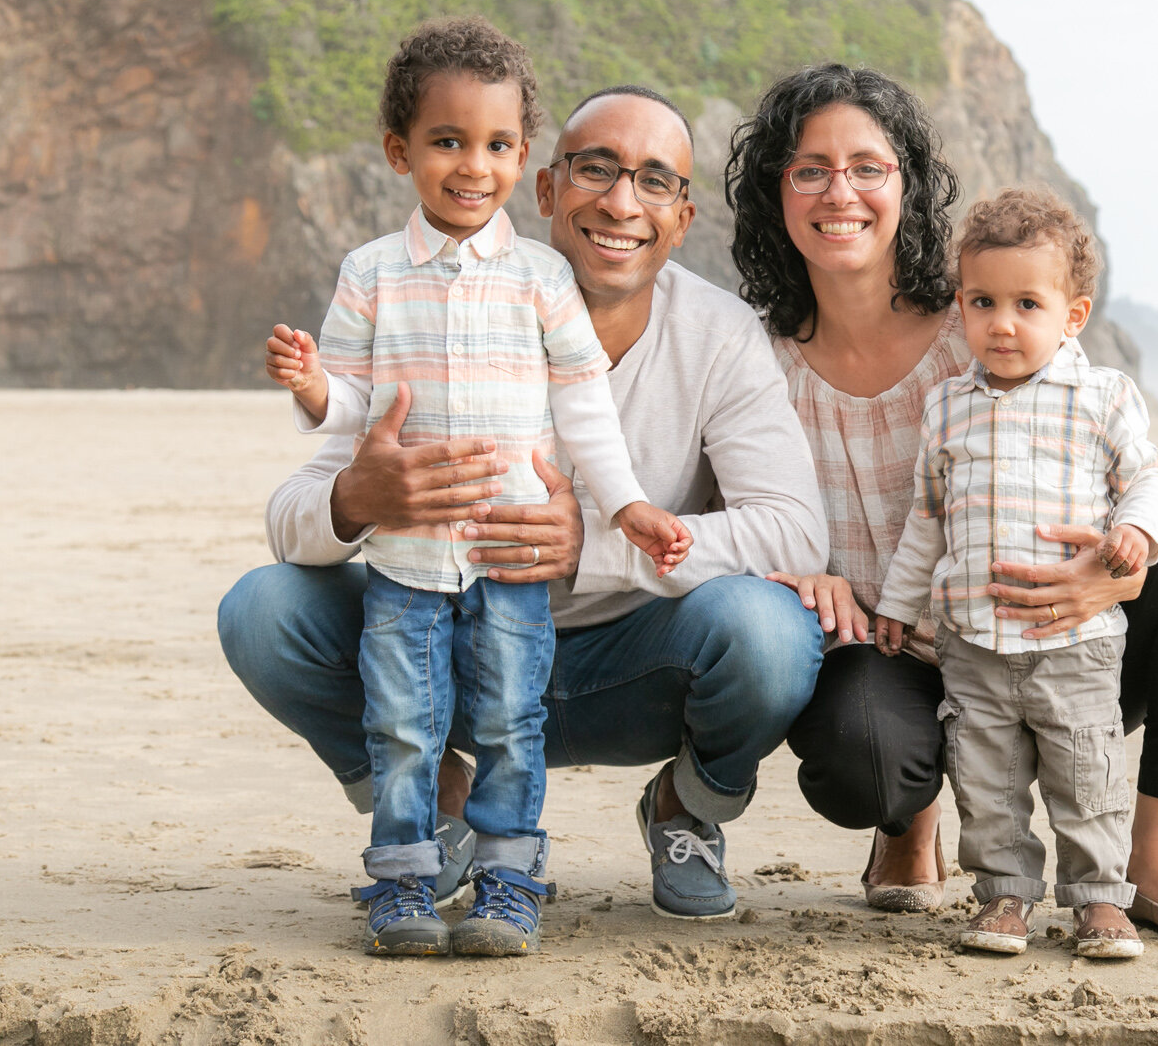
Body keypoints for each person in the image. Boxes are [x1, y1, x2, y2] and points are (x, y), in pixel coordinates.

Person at [218, 79, 828, 941]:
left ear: (683, 218)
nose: (623, 201)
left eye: (655, 181)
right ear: (545, 187)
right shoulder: (426, 305)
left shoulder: (719, 335)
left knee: (770, 632)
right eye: (596, 169)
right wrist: (358, 497)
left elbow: (795, 528)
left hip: (633, 663)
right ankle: (442, 804)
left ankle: (685, 808)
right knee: (261, 609)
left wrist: (596, 545)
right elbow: (289, 518)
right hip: (451, 648)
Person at [726, 63, 1158, 952]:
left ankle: (1151, 862)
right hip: (893, 645)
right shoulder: (754, 361)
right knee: (862, 757)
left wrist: (1113, 577)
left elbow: (1113, 459)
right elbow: (725, 511)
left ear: (906, 182)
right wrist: (791, 570)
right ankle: (909, 823)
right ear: (774, 190)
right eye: (809, 169)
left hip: (1059, 636)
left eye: (868, 166)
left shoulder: (989, 319)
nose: (840, 191)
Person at [260, 17, 692, 957]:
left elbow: (585, 412)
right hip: (406, 562)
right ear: (399, 151)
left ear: (524, 155)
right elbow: (353, 413)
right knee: (403, 723)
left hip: (509, 558)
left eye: (496, 145)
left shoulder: (543, 280)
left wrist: (625, 506)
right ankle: (405, 880)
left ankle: (508, 878)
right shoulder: (371, 274)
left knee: (508, 719)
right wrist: (312, 388)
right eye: (447, 141)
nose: (472, 165)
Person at [874, 187, 1158, 959]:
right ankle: (1004, 895)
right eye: (983, 300)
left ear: (1072, 314)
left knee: (1086, 772)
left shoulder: (1100, 397)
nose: (1002, 323)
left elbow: (1147, 478)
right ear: (961, 304)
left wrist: (1134, 530)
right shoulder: (948, 407)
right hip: (974, 644)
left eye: (1027, 303)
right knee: (987, 781)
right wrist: (899, 606)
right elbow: (926, 521)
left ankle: (1100, 900)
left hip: (1076, 641)